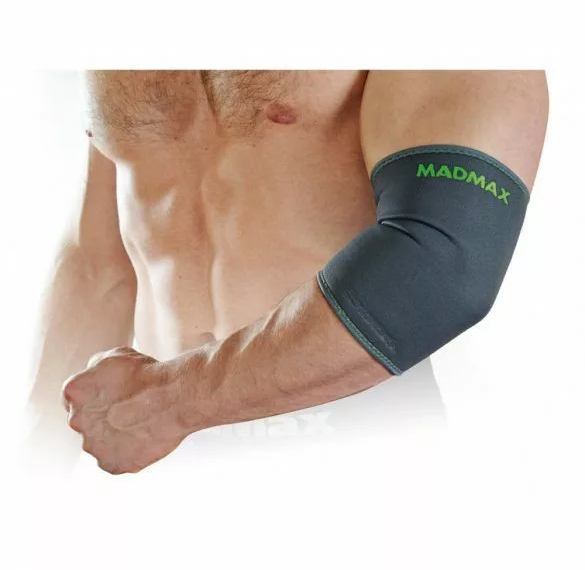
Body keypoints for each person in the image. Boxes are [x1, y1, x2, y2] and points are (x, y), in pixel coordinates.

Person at [25, 70, 548, 474]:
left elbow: (439, 266)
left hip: (358, 448)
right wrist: (34, 461)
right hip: (155, 450)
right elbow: (98, 266)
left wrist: (173, 400)